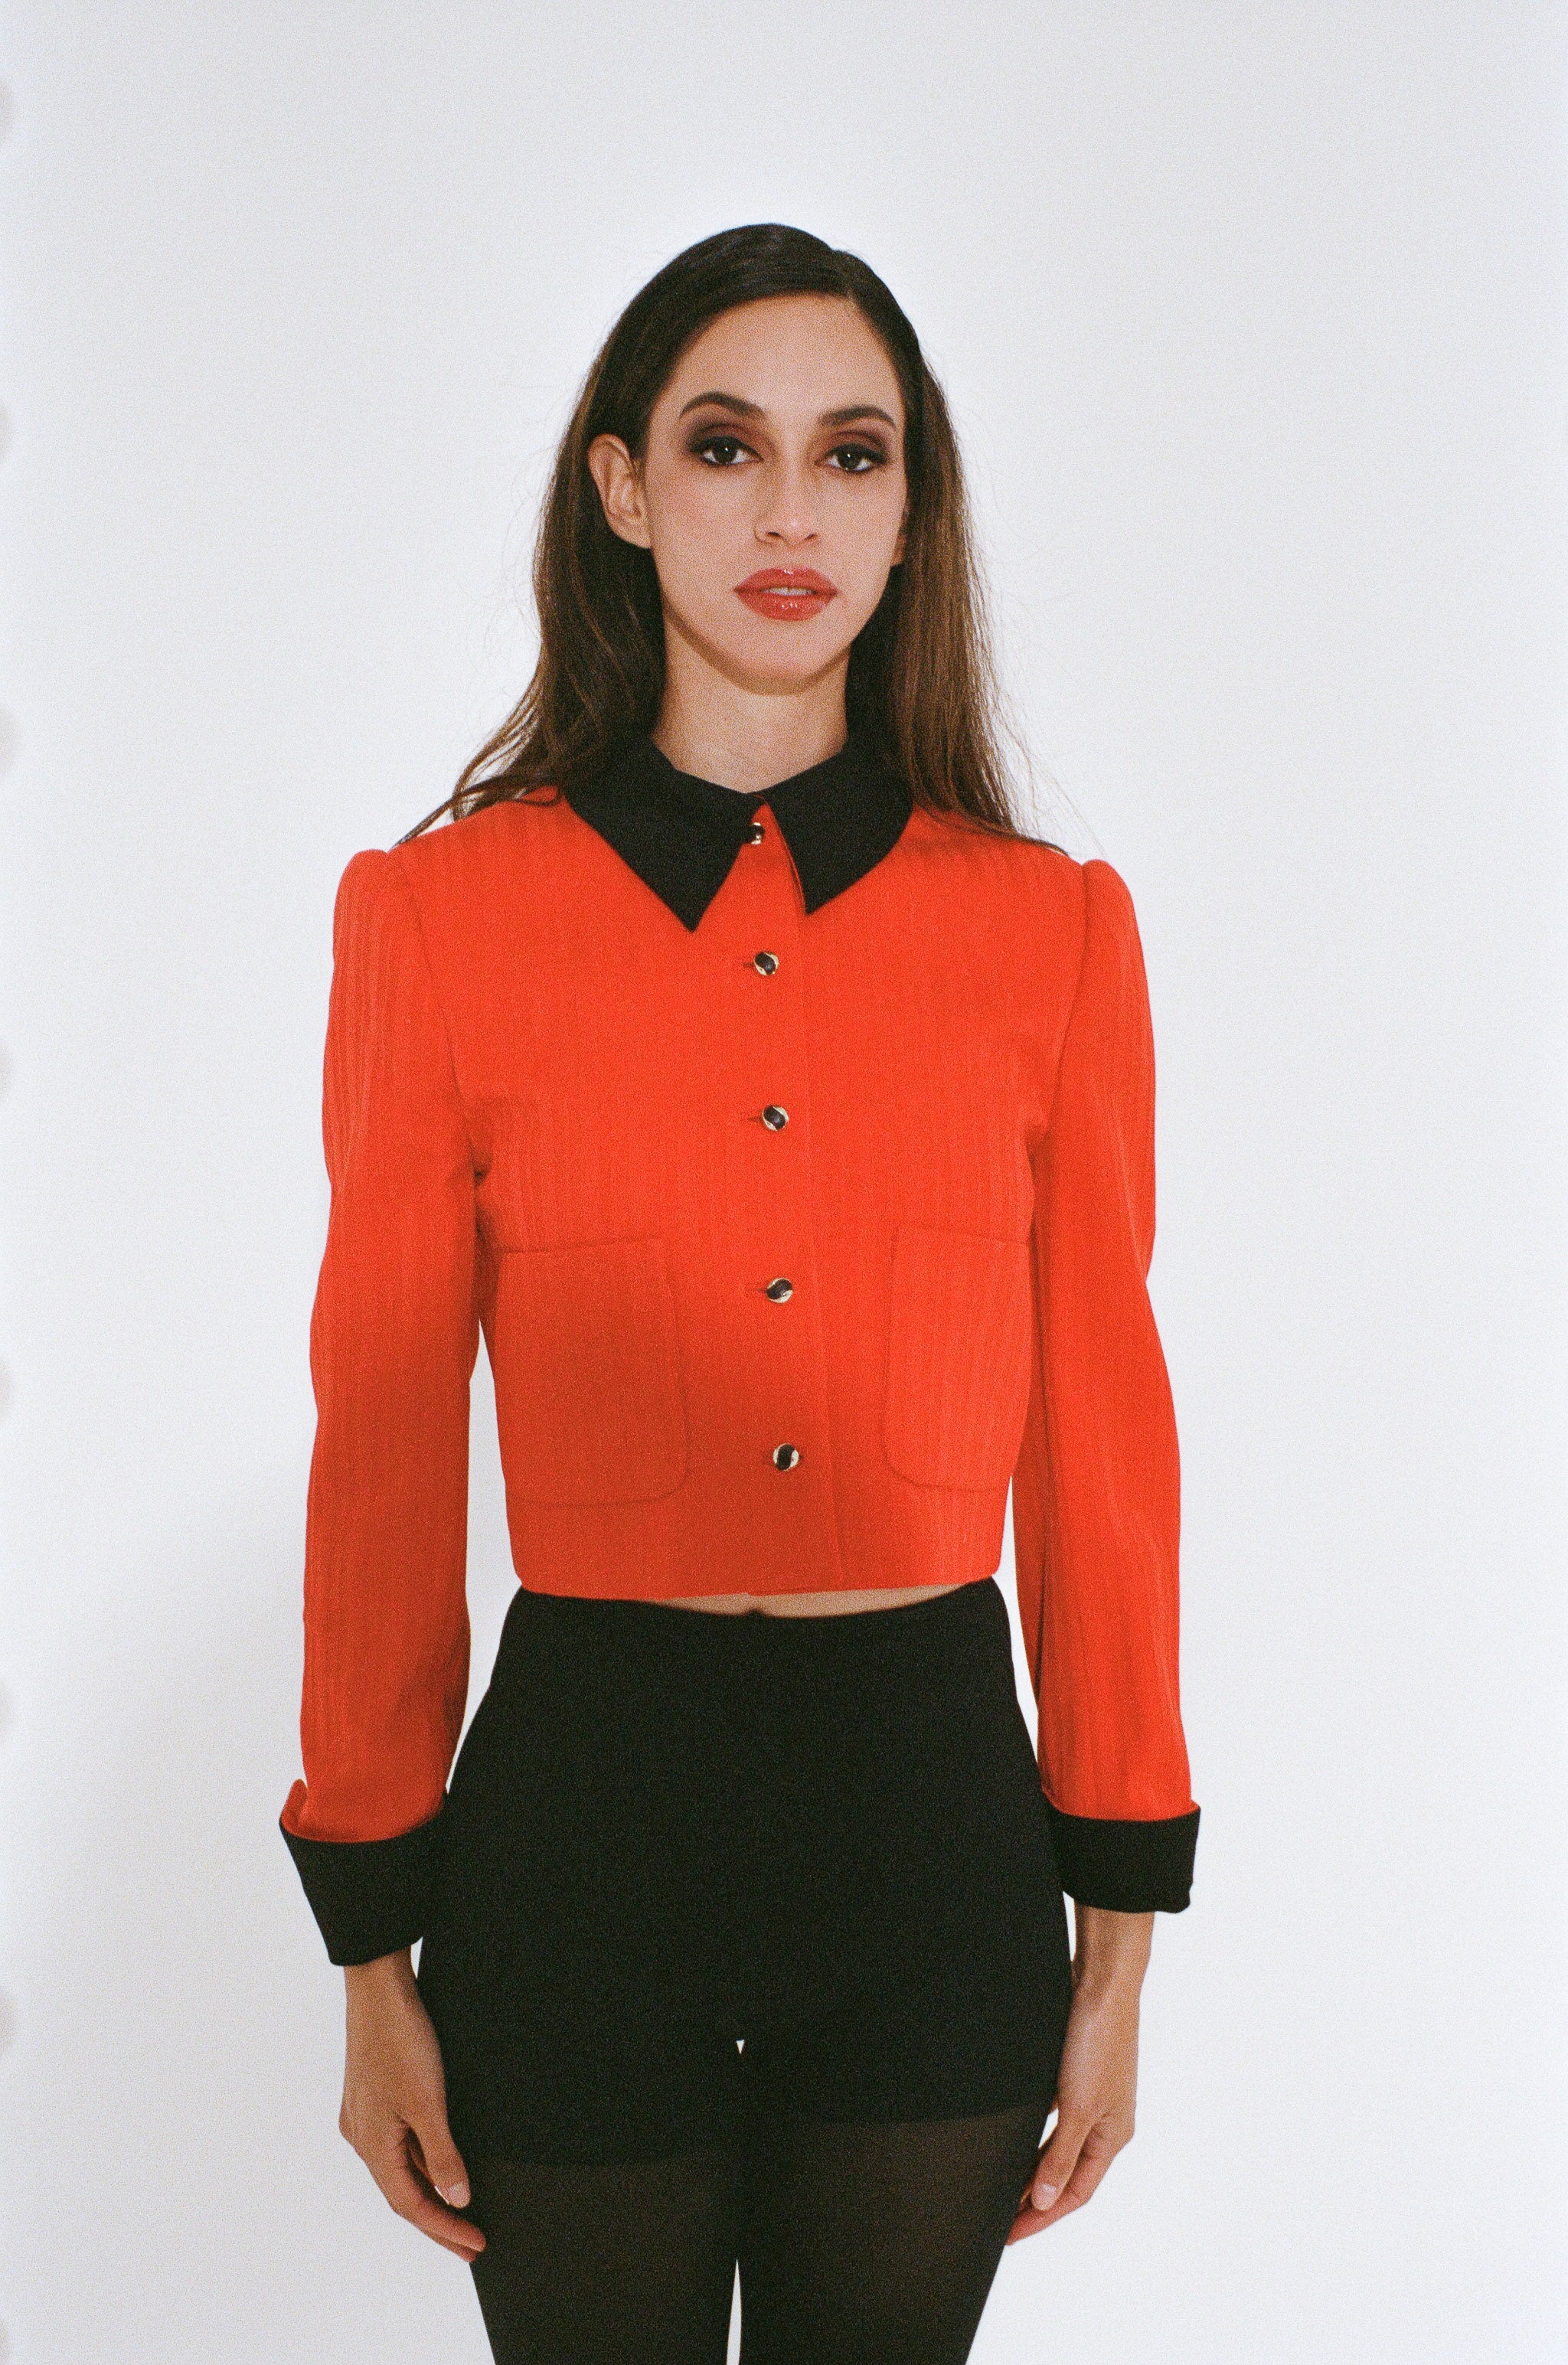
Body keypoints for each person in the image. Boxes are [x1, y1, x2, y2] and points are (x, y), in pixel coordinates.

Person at [277, 221, 1200, 2365]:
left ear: (911, 510)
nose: (793, 512)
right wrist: (370, 1949)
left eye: (852, 454)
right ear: (622, 488)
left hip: (931, 1830)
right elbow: (383, 1432)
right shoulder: (441, 920)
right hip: (584, 1829)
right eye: (725, 446)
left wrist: (1122, 1929)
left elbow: (1102, 1440)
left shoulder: (1051, 933)